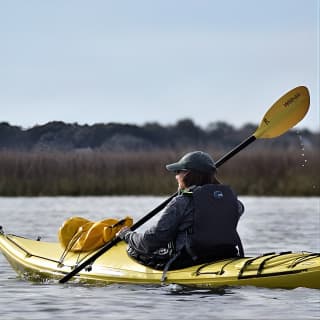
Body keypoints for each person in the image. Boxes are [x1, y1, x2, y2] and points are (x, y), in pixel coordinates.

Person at [117, 151, 244, 272]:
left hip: (188, 261)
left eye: (178, 172)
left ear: (187, 174)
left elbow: (151, 242)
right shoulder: (234, 202)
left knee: (135, 250)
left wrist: (128, 235)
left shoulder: (181, 202)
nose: (176, 176)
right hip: (226, 255)